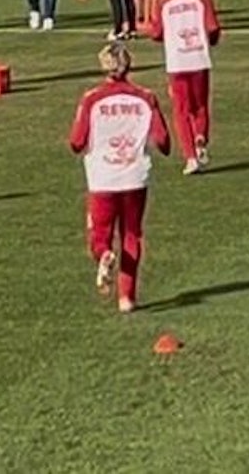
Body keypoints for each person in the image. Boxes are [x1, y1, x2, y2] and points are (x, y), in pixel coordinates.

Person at [68, 41, 170, 313]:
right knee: (132, 234)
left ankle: (104, 255)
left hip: (103, 177)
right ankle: (127, 297)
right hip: (135, 176)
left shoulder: (92, 99)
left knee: (100, 235)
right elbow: (163, 141)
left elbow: (76, 142)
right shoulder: (146, 97)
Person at [150, 0, 221, 175]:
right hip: (199, 59)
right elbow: (213, 28)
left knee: (181, 111)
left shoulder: (165, 2)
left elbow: (156, 33)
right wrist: (212, 42)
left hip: (177, 62)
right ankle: (201, 137)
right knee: (200, 105)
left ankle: (190, 156)